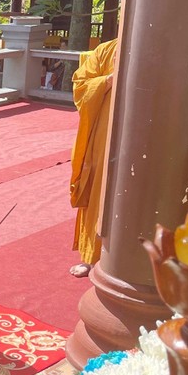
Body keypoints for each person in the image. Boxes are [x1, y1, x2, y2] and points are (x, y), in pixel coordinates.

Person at [69, 39, 117, 277]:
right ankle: (91, 256)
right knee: (98, 192)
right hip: (104, 137)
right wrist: (107, 81)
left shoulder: (167, 48)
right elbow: (80, 85)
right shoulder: (107, 50)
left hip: (147, 138)